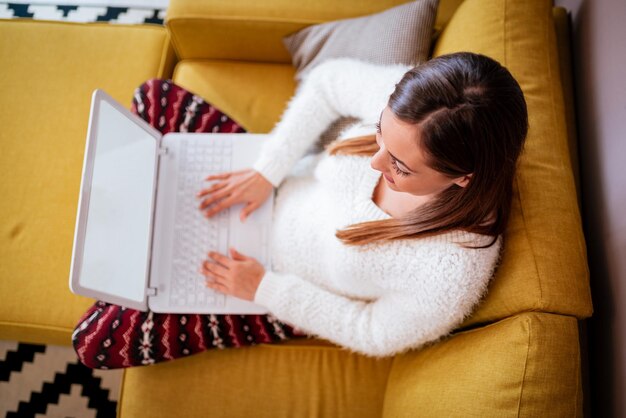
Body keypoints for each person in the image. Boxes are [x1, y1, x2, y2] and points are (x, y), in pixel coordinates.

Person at [72, 52, 528, 369]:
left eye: (400, 167)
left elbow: (372, 332)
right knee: (153, 99)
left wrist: (265, 289)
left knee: (93, 342)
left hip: (272, 283)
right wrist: (267, 171)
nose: (374, 162)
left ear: (462, 177)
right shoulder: (427, 106)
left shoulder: (452, 271)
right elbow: (329, 84)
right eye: (380, 134)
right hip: (269, 191)